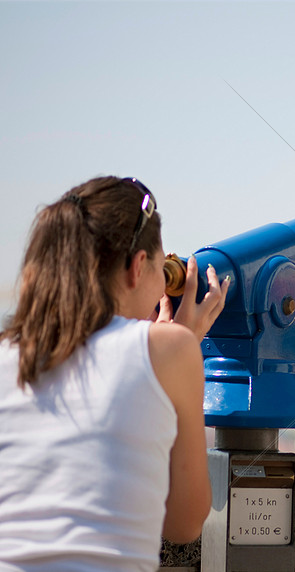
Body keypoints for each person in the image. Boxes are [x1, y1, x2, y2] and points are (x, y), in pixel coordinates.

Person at [0, 176, 228, 572]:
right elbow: (184, 522)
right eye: (162, 269)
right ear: (138, 267)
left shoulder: (6, 353)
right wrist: (179, 345)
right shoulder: (171, 349)